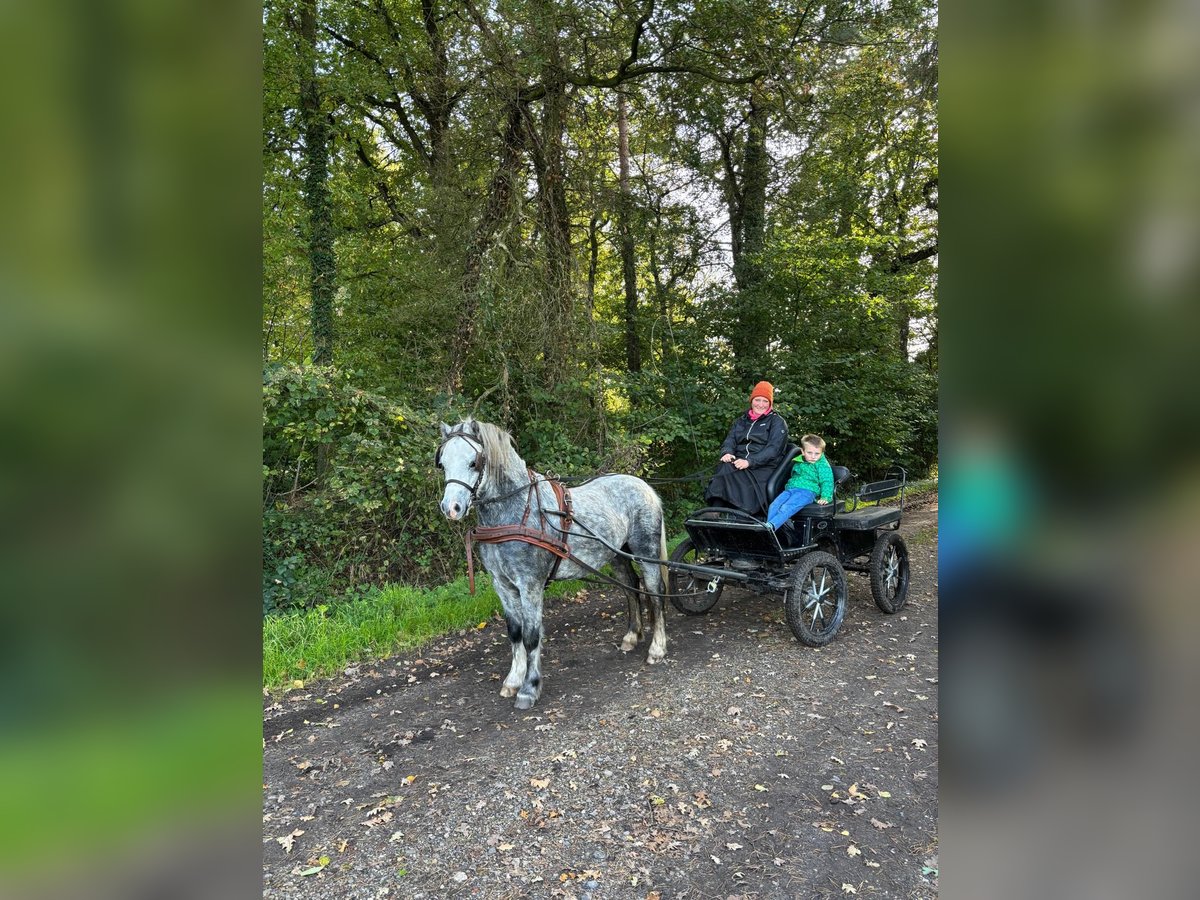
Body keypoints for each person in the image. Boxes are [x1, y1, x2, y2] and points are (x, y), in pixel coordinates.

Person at [704, 381, 789, 514]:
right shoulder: (741, 421)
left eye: (765, 401)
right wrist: (727, 452)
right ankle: (715, 510)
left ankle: (741, 513)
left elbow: (773, 450)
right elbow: (730, 440)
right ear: (752, 400)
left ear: (770, 403)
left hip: (764, 466)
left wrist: (750, 461)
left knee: (742, 476)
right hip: (739, 461)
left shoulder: (777, 422)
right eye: (757, 400)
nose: (760, 404)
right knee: (725, 466)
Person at [765, 433, 834, 530]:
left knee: (786, 507)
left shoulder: (822, 465)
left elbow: (827, 480)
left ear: (822, 453)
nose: (813, 456)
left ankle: (771, 527)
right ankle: (772, 529)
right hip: (791, 489)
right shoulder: (798, 461)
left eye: (817, 454)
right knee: (774, 505)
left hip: (807, 491)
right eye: (809, 453)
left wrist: (825, 496)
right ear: (803, 451)